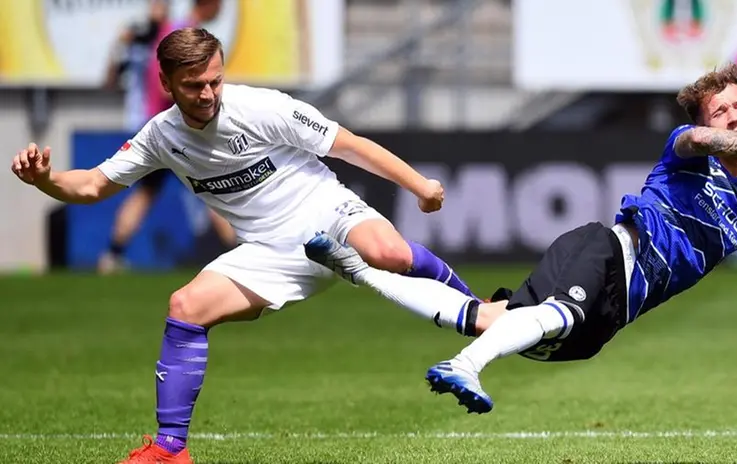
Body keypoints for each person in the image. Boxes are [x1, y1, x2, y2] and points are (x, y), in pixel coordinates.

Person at [11, 28, 476, 463]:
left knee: (388, 254)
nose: (208, 93)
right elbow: (92, 185)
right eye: (193, 85)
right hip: (268, 251)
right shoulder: (160, 136)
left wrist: (421, 186)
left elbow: (349, 145)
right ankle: (171, 450)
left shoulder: (261, 108)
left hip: (325, 212)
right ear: (166, 83)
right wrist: (45, 180)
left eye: (215, 80)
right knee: (186, 305)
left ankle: (480, 313)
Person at [304, 63, 737, 416]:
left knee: (490, 319)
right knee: (557, 315)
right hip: (610, 251)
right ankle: (464, 367)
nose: (732, 116)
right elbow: (703, 139)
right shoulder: (687, 149)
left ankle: (358, 269)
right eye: (720, 110)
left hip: (620, 312)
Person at [98, 0, 235, 274]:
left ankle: (111, 256)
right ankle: (244, 253)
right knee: (214, 189)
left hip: (158, 127)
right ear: (210, 5)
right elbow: (164, 86)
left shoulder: (173, 31)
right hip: (176, 130)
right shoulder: (186, 35)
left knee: (146, 193)